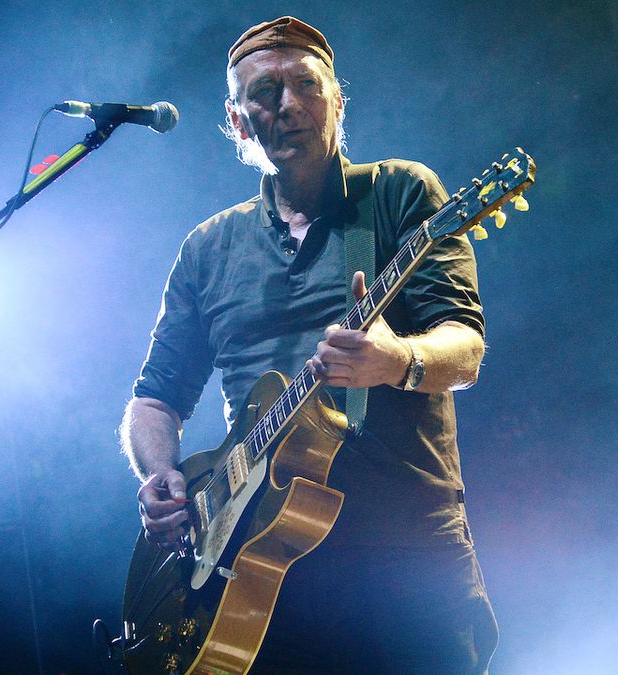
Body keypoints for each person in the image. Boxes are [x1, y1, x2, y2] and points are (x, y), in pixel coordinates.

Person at [120, 16, 498, 674]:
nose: (288, 104)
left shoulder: (401, 192)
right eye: (265, 92)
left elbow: (463, 347)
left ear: (337, 102)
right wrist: (161, 475)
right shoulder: (208, 248)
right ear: (238, 122)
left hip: (405, 554)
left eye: (306, 84)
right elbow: (153, 399)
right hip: (258, 571)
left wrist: (396, 360)